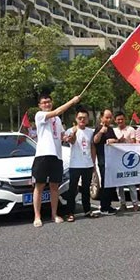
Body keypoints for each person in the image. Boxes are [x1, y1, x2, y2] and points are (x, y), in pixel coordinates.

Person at [31, 93, 80, 227]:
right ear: (40, 105)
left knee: (54, 187)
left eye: (49, 102)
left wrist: (71, 136)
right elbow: (58, 111)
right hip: (42, 155)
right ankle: (37, 216)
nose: (47, 104)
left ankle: (54, 214)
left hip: (57, 156)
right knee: (39, 186)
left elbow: (63, 136)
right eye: (44, 102)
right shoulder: (40, 115)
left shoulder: (57, 120)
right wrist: (73, 101)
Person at [64, 108, 97, 221]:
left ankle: (87, 210)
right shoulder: (71, 130)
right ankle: (70, 213)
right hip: (75, 164)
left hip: (87, 164)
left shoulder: (90, 131)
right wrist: (73, 134)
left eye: (84, 118)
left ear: (88, 119)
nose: (82, 120)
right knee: (72, 189)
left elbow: (92, 148)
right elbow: (71, 141)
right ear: (76, 119)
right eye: (80, 118)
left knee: (86, 189)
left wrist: (93, 163)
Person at [111, 111, 138, 212]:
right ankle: (122, 203)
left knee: (131, 183)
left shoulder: (130, 129)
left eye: (122, 119)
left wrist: (125, 140)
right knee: (119, 184)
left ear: (125, 119)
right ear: (115, 120)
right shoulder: (113, 130)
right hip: (117, 160)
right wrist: (118, 141)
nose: (120, 121)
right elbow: (110, 142)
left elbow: (134, 142)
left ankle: (135, 203)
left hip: (129, 159)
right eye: (118, 120)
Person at [93, 109, 119, 215]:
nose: (108, 119)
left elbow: (116, 140)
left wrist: (114, 140)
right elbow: (95, 140)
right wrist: (100, 132)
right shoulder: (99, 128)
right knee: (105, 183)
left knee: (110, 183)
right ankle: (104, 206)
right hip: (103, 159)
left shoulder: (110, 129)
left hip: (111, 159)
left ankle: (108, 204)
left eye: (110, 117)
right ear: (101, 118)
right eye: (107, 117)